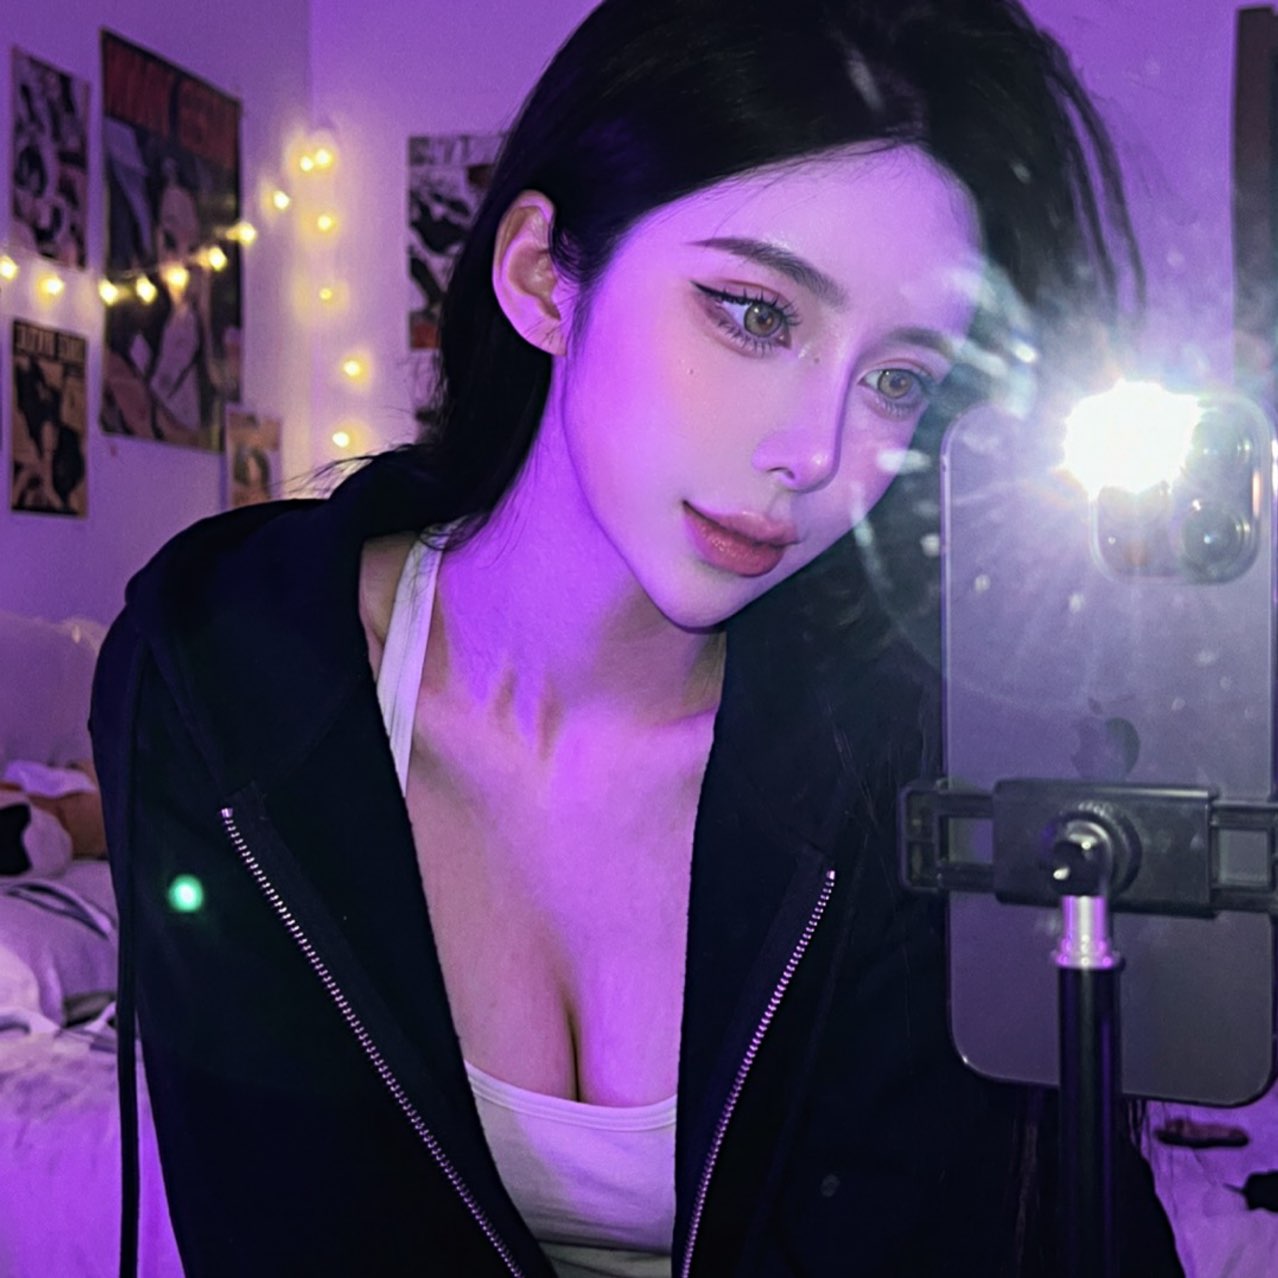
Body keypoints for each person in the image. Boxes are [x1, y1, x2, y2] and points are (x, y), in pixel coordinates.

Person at [90, 0, 1183, 1274]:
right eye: (755, 314)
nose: (817, 452)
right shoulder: (222, 681)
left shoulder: (910, 757)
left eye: (899, 380)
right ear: (541, 276)